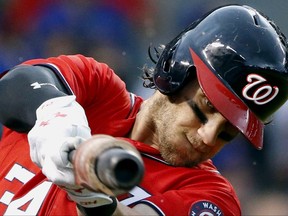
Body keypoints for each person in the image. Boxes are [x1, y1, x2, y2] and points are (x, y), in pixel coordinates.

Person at [0, 4, 287, 216]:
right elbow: (14, 86)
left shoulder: (212, 198)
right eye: (206, 107)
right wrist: (55, 118)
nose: (209, 137)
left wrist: (91, 196)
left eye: (229, 132)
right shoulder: (94, 88)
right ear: (176, 69)